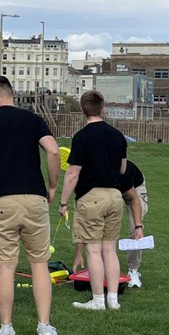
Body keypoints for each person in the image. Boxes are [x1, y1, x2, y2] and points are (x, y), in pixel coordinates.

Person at [0, 75, 61, 335]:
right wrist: (53, 186)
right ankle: (44, 327)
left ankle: (6, 329)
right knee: (39, 264)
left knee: (6, 267)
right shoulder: (33, 120)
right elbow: (53, 152)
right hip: (34, 198)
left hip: (1, 202)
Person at [58, 90, 128, 312]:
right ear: (103, 108)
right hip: (115, 196)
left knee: (94, 251)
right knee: (110, 249)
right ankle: (113, 299)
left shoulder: (81, 137)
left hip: (92, 197)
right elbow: (123, 168)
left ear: (82, 110)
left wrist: (63, 202)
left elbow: (72, 173)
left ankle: (98, 300)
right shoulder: (118, 136)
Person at [117, 160, 148, 288]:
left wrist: (138, 226)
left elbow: (134, 199)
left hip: (135, 188)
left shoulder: (122, 172)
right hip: (113, 190)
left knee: (134, 227)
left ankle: (133, 270)